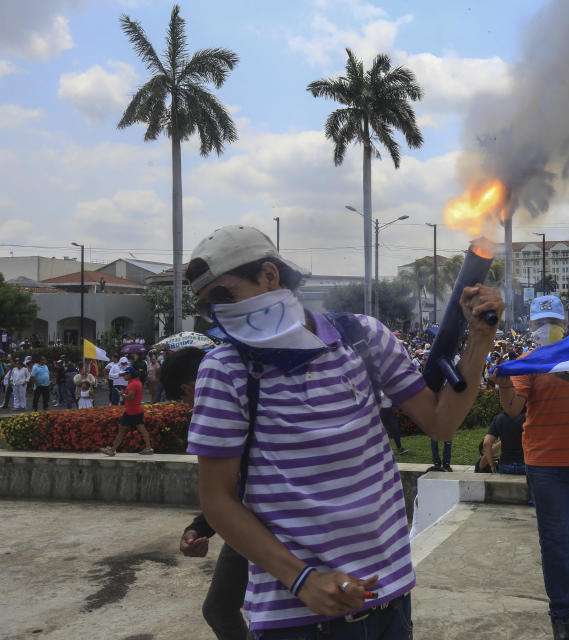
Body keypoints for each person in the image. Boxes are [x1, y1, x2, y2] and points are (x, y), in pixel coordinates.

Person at [185, 225, 503, 639]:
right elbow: (217, 501)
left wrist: (479, 340)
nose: (218, 314)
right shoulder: (224, 370)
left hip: (391, 599)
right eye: (210, 306)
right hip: (296, 618)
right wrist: (302, 579)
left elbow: (441, 422)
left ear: (269, 275)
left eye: (224, 296)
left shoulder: (363, 337)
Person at [495, 295, 569, 640]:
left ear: (565, 324)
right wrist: (502, 381)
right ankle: (562, 615)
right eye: (542, 324)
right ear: (531, 328)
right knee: (557, 539)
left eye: (554, 322)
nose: (548, 329)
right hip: (546, 466)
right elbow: (513, 409)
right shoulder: (528, 364)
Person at [163, 346, 250, 640]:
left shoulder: (241, 408)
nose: (189, 407)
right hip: (245, 521)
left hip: (266, 523)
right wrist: (199, 526)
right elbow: (229, 489)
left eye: (184, 398)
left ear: (190, 387)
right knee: (220, 609)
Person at [101, 366, 153, 456]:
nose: (124, 376)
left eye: (125, 374)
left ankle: (112, 450)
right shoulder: (136, 382)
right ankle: (148, 448)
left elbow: (130, 397)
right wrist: (124, 392)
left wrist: (122, 395)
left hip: (131, 411)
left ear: (130, 374)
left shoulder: (133, 384)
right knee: (141, 429)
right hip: (137, 410)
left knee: (122, 430)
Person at [483, 409, 526, 475]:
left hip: (505, 464)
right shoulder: (527, 417)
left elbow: (486, 443)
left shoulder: (498, 418)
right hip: (526, 463)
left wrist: (491, 464)